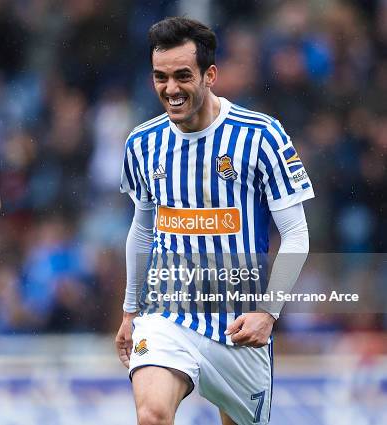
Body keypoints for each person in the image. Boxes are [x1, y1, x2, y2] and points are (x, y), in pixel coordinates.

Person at [115, 17, 313, 425]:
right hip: (168, 312)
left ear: (210, 75)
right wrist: (130, 310)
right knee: (151, 415)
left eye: (182, 76)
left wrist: (269, 312)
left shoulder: (261, 135)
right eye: (160, 77)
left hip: (239, 323)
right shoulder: (142, 143)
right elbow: (142, 229)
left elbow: (296, 233)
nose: (170, 89)